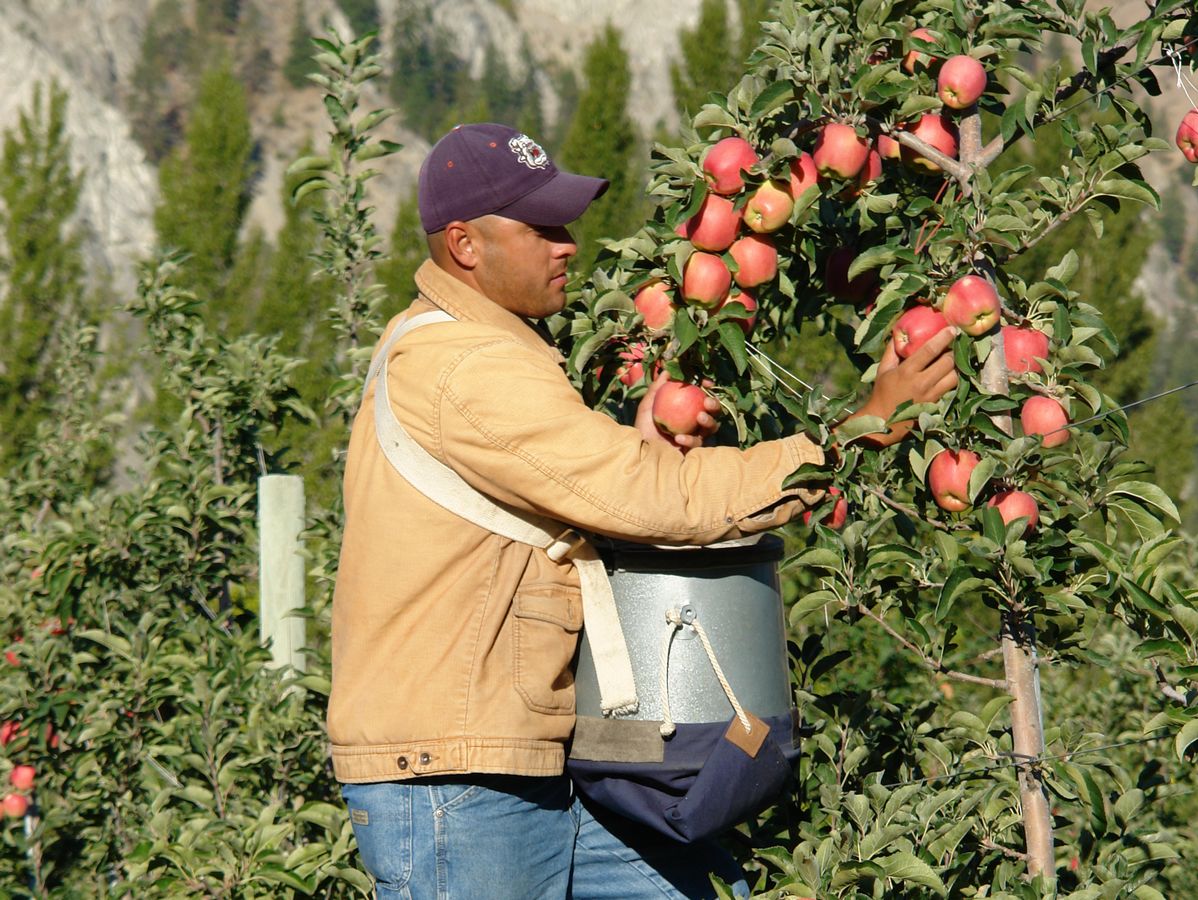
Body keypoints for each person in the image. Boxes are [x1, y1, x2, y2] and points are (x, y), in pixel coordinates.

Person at [327, 122, 958, 899]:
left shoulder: (486, 350)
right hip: (458, 772)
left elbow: (568, 490)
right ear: (465, 244)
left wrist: (638, 448)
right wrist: (856, 434)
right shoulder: (463, 367)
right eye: (542, 227)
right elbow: (650, 500)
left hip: (534, 749)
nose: (567, 244)